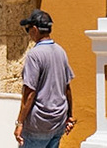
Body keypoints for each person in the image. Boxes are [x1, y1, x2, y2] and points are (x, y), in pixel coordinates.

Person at [14, 10, 74, 148]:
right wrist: (69, 115)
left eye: (28, 29)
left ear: (35, 29)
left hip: (38, 124)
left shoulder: (34, 55)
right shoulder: (61, 51)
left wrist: (20, 123)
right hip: (58, 121)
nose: (28, 33)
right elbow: (67, 88)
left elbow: (30, 93)